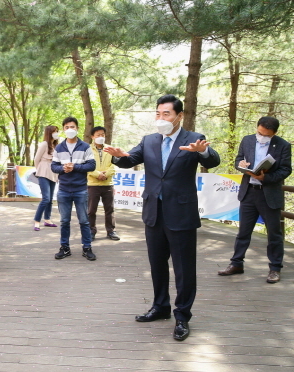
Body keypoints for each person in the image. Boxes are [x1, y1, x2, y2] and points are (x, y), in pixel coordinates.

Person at [104, 94, 220, 341]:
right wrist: (117, 155)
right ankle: (160, 307)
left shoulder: (194, 139)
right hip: (154, 214)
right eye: (157, 113)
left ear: (179, 116)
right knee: (157, 265)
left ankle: (182, 316)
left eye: (166, 114)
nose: (161, 118)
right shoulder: (149, 141)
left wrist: (205, 151)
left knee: (183, 269)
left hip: (182, 214)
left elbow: (213, 160)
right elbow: (129, 160)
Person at [218, 116, 292, 283]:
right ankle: (236, 263)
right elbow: (238, 159)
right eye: (259, 133)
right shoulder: (248, 140)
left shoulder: (283, 145)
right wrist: (241, 165)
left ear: (274, 134)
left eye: (266, 135)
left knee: (274, 234)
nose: (261, 137)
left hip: (269, 194)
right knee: (243, 232)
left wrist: (266, 177)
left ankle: (275, 268)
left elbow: (286, 170)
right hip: (248, 192)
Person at [51, 117, 97, 261]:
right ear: (63, 129)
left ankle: (87, 248)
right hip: (64, 189)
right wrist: (64, 168)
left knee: (84, 220)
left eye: (72, 127)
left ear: (77, 128)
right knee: (64, 221)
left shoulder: (85, 147)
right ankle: (65, 248)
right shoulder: (59, 148)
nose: (70, 129)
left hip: (81, 189)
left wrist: (75, 166)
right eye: (66, 127)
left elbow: (92, 165)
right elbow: (54, 166)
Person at [87, 126, 119, 241]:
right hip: (92, 185)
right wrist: (97, 174)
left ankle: (111, 231)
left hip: (108, 184)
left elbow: (114, 165)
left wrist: (107, 174)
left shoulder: (110, 149)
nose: (100, 137)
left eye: (102, 135)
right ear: (92, 137)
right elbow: (86, 166)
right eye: (98, 135)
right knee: (91, 210)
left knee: (109, 209)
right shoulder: (87, 149)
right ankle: (91, 231)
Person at [33, 125, 59, 231]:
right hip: (43, 173)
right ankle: (37, 221)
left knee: (50, 199)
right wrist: (40, 170)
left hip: (53, 173)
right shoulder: (44, 144)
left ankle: (47, 219)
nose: (56, 133)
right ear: (49, 133)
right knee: (46, 198)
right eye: (54, 131)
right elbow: (36, 159)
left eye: (57, 131)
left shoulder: (56, 145)